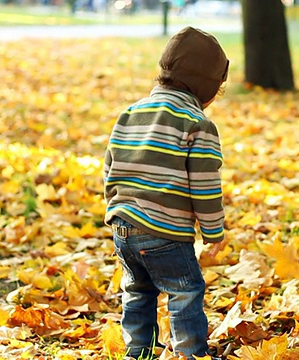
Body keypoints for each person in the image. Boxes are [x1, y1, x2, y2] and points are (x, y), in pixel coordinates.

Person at [103, 26, 229, 360]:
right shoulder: (196, 123)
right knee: (184, 290)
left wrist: (116, 209)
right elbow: (205, 185)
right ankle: (191, 354)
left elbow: (110, 167)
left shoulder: (129, 113)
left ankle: (138, 351)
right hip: (165, 232)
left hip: (123, 227)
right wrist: (214, 232)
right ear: (207, 87)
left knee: (137, 290)